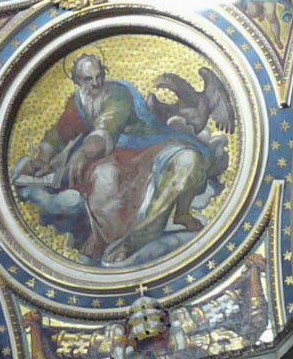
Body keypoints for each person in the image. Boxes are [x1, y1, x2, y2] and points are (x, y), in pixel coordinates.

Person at [13, 51, 222, 264]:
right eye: (88, 79)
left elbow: (108, 125)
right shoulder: (77, 101)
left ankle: (149, 231)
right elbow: (60, 131)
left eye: (98, 76)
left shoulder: (117, 93)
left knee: (189, 158)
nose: (95, 83)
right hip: (113, 155)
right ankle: (103, 240)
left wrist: (84, 152)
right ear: (76, 80)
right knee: (103, 178)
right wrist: (43, 158)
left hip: (145, 145)